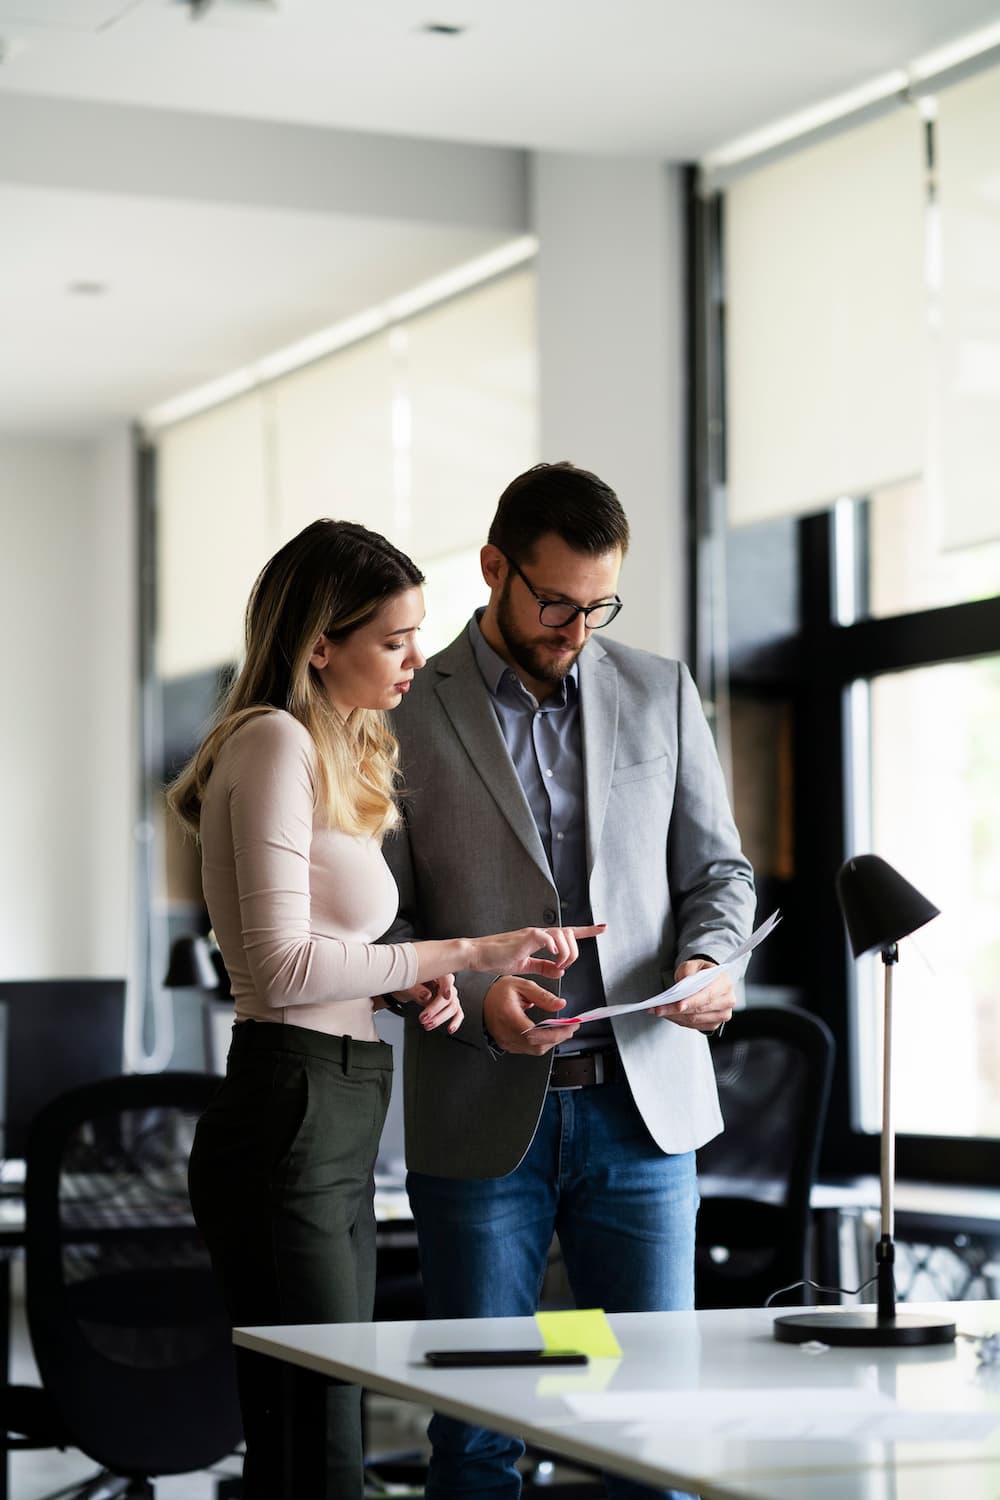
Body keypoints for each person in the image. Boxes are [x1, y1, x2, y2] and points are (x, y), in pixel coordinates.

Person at [167, 518, 601, 1500]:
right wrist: (466, 950)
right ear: (319, 640)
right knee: (318, 1434)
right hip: (293, 1097)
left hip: (341, 1095)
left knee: (323, 1421)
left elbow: (324, 945)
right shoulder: (274, 741)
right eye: (392, 639)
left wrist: (398, 977)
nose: (415, 657)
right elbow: (277, 969)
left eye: (415, 633)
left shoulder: (332, 750)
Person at [382, 462, 756, 1500]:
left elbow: (718, 873)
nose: (576, 629)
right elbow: (381, 921)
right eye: (554, 602)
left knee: (652, 1425)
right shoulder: (403, 709)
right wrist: (469, 1005)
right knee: (477, 1431)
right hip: (479, 1109)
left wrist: (709, 961)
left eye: (598, 606)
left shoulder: (658, 689)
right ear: (494, 567)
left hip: (642, 1111)